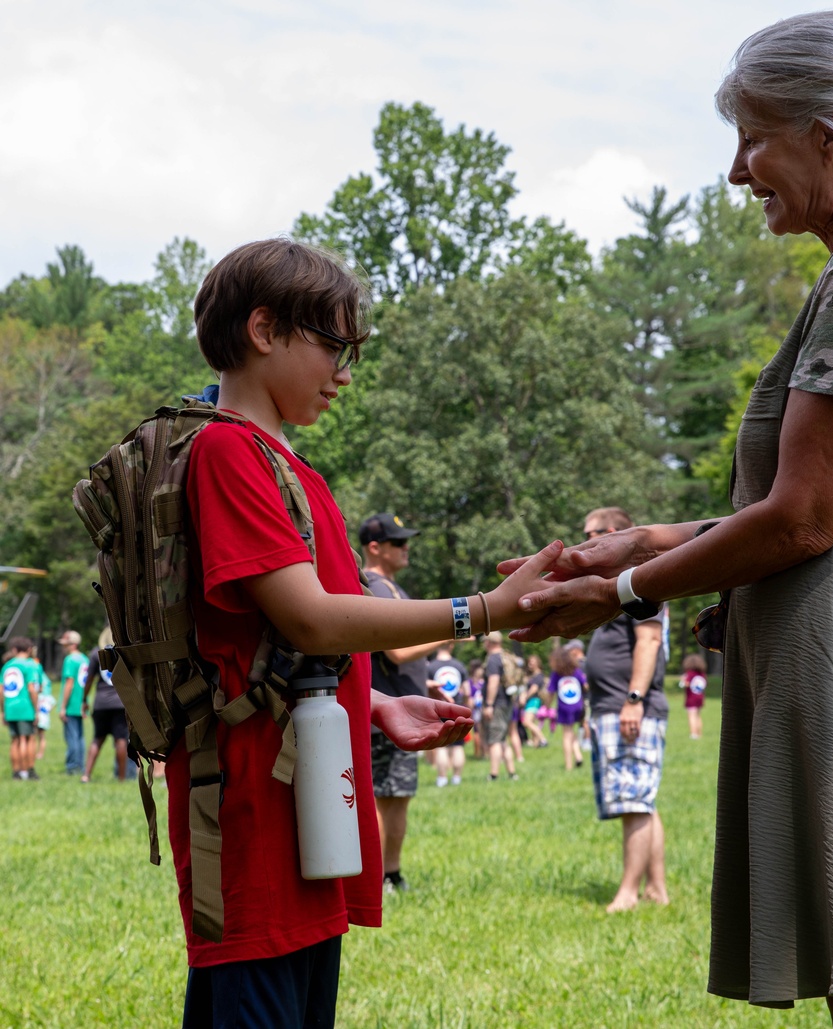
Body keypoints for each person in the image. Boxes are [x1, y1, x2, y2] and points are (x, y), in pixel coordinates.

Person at [504, 13, 833, 1026]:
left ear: (829, 135)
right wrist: (645, 539)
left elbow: (808, 519)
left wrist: (621, 591)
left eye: (752, 137)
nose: (737, 171)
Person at [171, 238, 557, 1028]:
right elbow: (309, 615)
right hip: (255, 817)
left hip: (310, 806)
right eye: (334, 346)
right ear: (265, 329)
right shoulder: (225, 452)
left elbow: (280, 641)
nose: (346, 373)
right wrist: (484, 608)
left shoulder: (287, 466)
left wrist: (374, 703)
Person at [581, 506, 669, 913]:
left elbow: (649, 641)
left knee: (633, 801)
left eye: (590, 534)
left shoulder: (637, 582)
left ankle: (628, 894)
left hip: (629, 707)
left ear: (612, 532)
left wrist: (632, 700)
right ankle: (656, 888)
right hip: (613, 706)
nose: (583, 541)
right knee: (641, 799)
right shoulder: (616, 583)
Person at [361, 511, 449, 894]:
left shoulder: (392, 588)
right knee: (382, 797)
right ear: (375, 547)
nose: (406, 548)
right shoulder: (377, 587)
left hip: (400, 709)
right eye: (398, 542)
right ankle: (376, 879)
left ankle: (390, 875)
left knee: (397, 797)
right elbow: (397, 652)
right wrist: (452, 631)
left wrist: (424, 682)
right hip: (386, 716)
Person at [81, 626, 130, 783]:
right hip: (121, 703)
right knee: (121, 740)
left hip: (101, 703)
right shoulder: (123, 653)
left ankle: (86, 775)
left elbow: (88, 680)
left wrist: (84, 700)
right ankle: (121, 778)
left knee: (97, 738)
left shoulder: (96, 653)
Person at [427, 641, 471, 786]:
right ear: (451, 646)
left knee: (441, 746)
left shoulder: (431, 666)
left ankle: (442, 778)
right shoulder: (459, 665)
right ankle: (457, 778)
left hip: (438, 709)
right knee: (458, 745)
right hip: (457, 708)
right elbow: (467, 691)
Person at [481, 631, 518, 781]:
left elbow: (494, 682)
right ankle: (512, 773)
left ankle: (493, 774)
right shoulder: (506, 657)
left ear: (489, 642)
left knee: (494, 740)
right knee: (503, 739)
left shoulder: (493, 660)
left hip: (497, 704)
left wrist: (489, 704)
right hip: (507, 702)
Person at [2, 637, 40, 780]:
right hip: (25, 706)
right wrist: (36, 709)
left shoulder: (7, 666)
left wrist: (3, 710)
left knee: (15, 740)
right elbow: (31, 688)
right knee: (27, 738)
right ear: (29, 649)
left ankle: (16, 772)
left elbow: (1, 690)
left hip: (10, 706)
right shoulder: (30, 665)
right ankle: (28, 770)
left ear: (14, 649)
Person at [548, 644, 585, 770]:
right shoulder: (576, 671)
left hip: (564, 707)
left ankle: (568, 765)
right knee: (571, 731)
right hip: (578, 706)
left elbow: (551, 691)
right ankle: (578, 756)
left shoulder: (556, 673)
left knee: (566, 734)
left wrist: (547, 706)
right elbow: (585, 685)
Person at [58, 630, 88, 775]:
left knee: (72, 737)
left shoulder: (70, 660)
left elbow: (69, 683)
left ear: (73, 644)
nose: (64, 647)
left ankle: (72, 767)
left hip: (71, 704)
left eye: (66, 644)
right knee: (80, 737)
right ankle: (81, 765)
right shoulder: (84, 659)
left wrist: (63, 707)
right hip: (81, 703)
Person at [520, 654, 548, 748]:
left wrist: (525, 697)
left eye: (532, 663)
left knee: (527, 722)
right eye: (529, 663)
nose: (529, 665)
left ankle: (543, 740)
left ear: (537, 663)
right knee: (532, 722)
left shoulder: (539, 676)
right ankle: (536, 744)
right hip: (531, 701)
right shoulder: (532, 675)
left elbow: (534, 689)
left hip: (534, 701)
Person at [679, 653, 707, 740]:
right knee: (698, 716)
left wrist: (682, 681)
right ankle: (699, 733)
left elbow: (686, 684)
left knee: (691, 716)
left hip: (691, 698)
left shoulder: (690, 673)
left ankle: (693, 734)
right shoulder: (702, 674)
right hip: (700, 697)